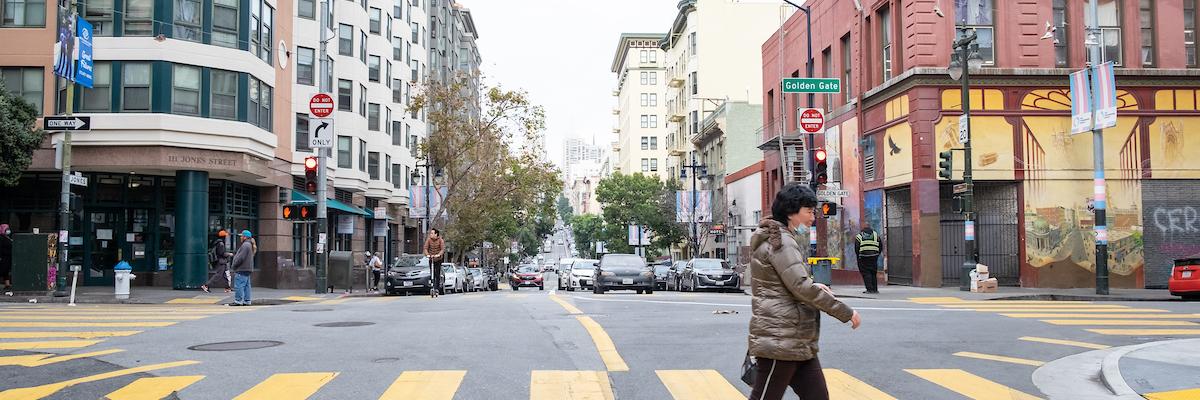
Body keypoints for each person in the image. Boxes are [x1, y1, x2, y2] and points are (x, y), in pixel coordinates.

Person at [747, 183, 861, 400]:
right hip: (780, 340)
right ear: (791, 212)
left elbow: (790, 283)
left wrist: (813, 285)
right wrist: (845, 312)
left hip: (797, 340)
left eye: (813, 211)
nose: (812, 217)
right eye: (808, 211)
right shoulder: (780, 243)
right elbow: (800, 287)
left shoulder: (783, 239)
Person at [229, 230, 256, 306]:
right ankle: (247, 301)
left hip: (242, 268)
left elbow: (240, 258)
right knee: (247, 286)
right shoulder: (249, 244)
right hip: (247, 268)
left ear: (245, 237)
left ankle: (238, 301)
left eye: (241, 236)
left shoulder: (245, 245)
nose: (240, 237)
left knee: (239, 285)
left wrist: (234, 265)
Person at [854, 222, 882, 294]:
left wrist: (858, 257)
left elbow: (857, 248)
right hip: (874, 257)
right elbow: (880, 246)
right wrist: (877, 254)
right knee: (873, 272)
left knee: (866, 273)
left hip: (863, 257)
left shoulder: (859, 236)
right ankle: (875, 289)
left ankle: (869, 289)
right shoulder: (876, 235)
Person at [423, 229, 445, 297]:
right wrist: (427, 254)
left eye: (432, 233)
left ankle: (437, 288)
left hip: (438, 259)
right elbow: (425, 248)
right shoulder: (429, 240)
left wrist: (439, 254)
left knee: (437, 274)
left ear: (436, 234)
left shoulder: (440, 240)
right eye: (430, 233)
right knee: (432, 273)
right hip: (431, 258)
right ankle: (432, 286)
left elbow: (442, 249)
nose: (431, 234)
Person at [0, 224, 12, 295]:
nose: (8, 230)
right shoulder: (1, 238)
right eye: (6, 229)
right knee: (2, 270)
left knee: (6, 271)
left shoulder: (7, 237)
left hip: (7, 257)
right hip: (3, 257)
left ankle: (7, 284)